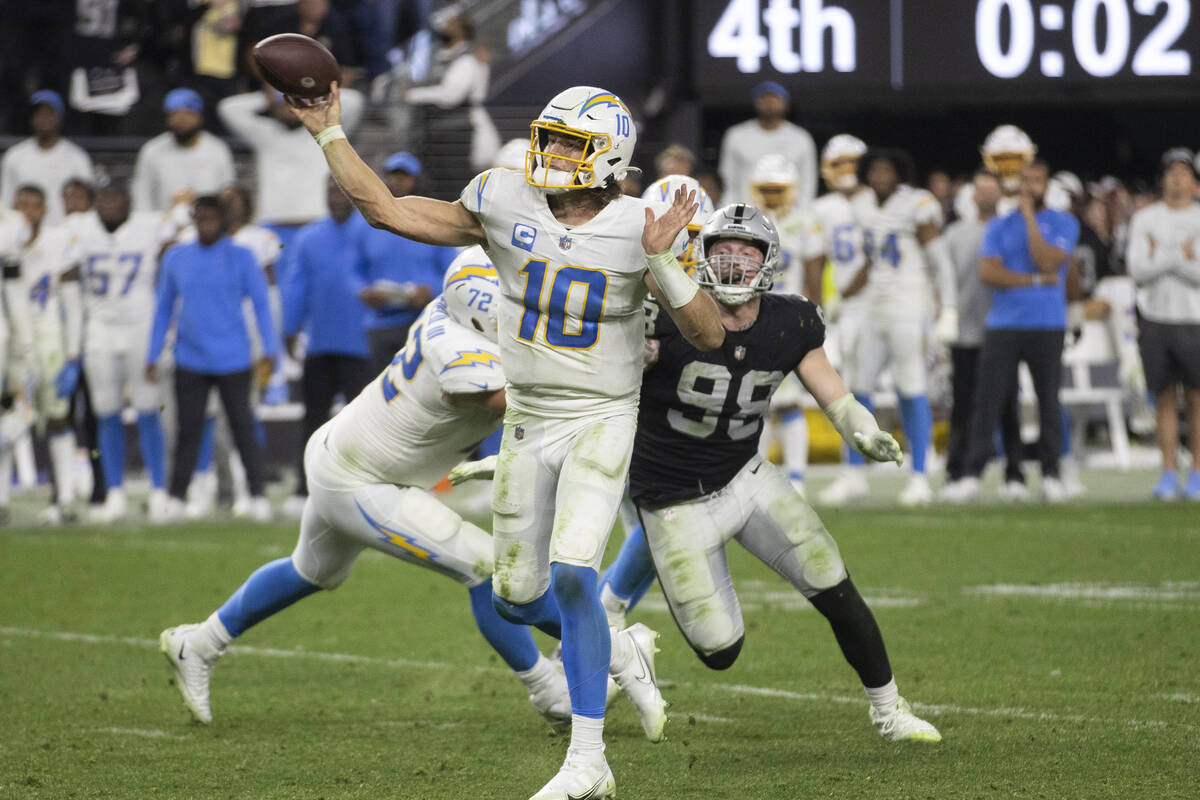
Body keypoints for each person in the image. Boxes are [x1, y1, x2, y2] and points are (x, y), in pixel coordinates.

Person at [288, 83, 725, 800]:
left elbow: (706, 333)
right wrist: (330, 132)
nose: (550, 152)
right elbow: (390, 211)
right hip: (527, 417)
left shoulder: (642, 224)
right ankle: (626, 651)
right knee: (518, 596)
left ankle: (589, 761)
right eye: (548, 137)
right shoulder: (502, 197)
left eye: (569, 144)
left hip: (600, 416)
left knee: (577, 574)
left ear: (608, 155)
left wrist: (664, 259)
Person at [561, 203, 942, 743]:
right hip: (671, 501)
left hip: (745, 476)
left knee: (833, 583)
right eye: (723, 250)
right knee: (720, 652)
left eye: (746, 251)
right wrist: (629, 359)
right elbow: (596, 386)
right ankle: (633, 647)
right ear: (700, 258)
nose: (735, 262)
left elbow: (832, 392)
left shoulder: (791, 320)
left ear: (768, 262)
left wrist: (863, 429)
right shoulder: (659, 316)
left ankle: (889, 710)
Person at [159, 266, 575, 731]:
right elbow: (504, 399)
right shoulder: (460, 354)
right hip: (360, 480)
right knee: (485, 569)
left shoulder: (454, 311)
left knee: (310, 571)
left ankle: (197, 643)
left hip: (345, 453)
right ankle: (551, 689)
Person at [821, 149, 956, 507]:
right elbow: (872, 260)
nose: (880, 177)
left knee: (910, 386)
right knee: (857, 386)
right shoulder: (864, 206)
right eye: (875, 170)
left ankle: (920, 475)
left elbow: (940, 261)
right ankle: (853, 474)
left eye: (887, 171)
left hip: (911, 307)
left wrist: (949, 309)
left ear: (900, 174)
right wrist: (845, 295)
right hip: (874, 307)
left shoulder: (916, 204)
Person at [942, 161, 1080, 504]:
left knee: (1048, 400)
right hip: (1003, 324)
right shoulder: (1000, 225)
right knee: (987, 401)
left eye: (1037, 180)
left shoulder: (1064, 222)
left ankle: (1051, 474)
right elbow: (989, 271)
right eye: (1025, 181)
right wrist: (1032, 280)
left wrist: (1031, 218)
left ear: (1047, 184)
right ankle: (972, 474)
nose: (1031, 187)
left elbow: (1049, 260)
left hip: (1047, 323)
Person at [146, 196, 278, 523]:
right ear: (193, 219)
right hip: (189, 358)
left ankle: (257, 496)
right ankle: (177, 499)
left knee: (242, 429)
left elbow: (262, 304)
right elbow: (164, 308)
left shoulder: (243, 257)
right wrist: (152, 352)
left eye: (211, 218)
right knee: (187, 431)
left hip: (234, 358)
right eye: (199, 217)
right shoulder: (176, 258)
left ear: (223, 220)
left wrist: (270, 350)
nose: (205, 224)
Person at [67, 182, 176, 523]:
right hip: (99, 329)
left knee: (147, 409)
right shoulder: (79, 228)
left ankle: (159, 491)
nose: (110, 204)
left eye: (117, 197)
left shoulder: (149, 225)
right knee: (106, 412)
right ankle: (114, 492)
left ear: (129, 201)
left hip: (140, 328)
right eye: (105, 198)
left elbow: (182, 228)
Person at [280, 178, 372, 517]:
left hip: (361, 343)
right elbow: (295, 284)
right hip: (320, 342)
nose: (336, 198)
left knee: (362, 420)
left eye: (341, 191)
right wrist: (290, 326)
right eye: (331, 192)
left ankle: (361, 483)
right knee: (314, 418)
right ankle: (304, 487)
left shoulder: (370, 232)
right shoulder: (308, 238)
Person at [0, 185, 84, 523]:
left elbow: (72, 299)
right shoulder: (6, 241)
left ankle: (63, 497)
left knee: (57, 417)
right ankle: (2, 498)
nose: (27, 212)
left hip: (50, 339)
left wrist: (74, 353)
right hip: (13, 343)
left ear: (45, 209)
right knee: (7, 417)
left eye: (34, 205)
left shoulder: (58, 241)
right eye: (21, 205)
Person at [941, 170, 1026, 499]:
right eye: (982, 190)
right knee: (962, 404)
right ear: (973, 195)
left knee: (1007, 404)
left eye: (993, 190)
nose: (987, 196)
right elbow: (946, 281)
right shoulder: (956, 233)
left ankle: (1014, 474)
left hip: (1003, 330)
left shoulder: (1012, 230)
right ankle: (956, 472)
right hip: (966, 331)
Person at [747, 154, 825, 495]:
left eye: (777, 189)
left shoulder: (806, 222)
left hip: (788, 317)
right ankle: (753, 477)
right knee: (752, 402)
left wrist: (812, 321)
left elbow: (814, 276)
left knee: (791, 403)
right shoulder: (746, 219)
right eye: (767, 189)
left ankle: (796, 479)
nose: (772, 196)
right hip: (750, 315)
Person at [1125, 148, 1200, 500]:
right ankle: (1168, 473)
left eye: (1183, 171)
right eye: (1171, 171)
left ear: (1193, 181)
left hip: (1194, 318)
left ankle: (1197, 474)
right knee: (1164, 398)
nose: (1176, 177)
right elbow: (1138, 271)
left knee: (1198, 399)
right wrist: (1179, 255)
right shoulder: (1145, 219)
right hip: (1155, 318)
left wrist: (1161, 256)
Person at [217, 86, 364, 251]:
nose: (288, 108)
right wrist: (267, 97)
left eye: (295, 102)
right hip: (273, 225)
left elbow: (355, 101)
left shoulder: (324, 131)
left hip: (315, 222)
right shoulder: (264, 134)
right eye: (284, 103)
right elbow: (228, 108)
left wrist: (313, 94)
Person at [354, 151, 457, 374]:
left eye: (403, 176)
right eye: (391, 176)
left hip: (423, 322)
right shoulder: (368, 223)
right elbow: (354, 270)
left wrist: (430, 290)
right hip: (380, 324)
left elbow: (453, 272)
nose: (396, 182)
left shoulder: (433, 221)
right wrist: (363, 291)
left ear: (416, 180)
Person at [131, 88, 236, 213]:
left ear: (199, 117)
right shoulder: (152, 150)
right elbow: (141, 194)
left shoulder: (217, 148)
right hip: (163, 222)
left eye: (188, 113)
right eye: (174, 114)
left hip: (207, 224)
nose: (181, 119)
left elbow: (227, 190)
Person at [0, 91, 94, 225]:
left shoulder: (77, 157)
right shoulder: (14, 156)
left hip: (65, 234)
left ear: (60, 117)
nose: (43, 118)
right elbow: (7, 201)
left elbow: (88, 204)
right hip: (26, 236)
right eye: (38, 113)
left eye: (49, 113)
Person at [718, 82, 816, 207]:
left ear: (786, 104)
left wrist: (803, 214)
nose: (770, 103)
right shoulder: (736, 135)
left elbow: (808, 182)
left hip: (790, 216)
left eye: (775, 99)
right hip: (748, 213)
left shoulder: (801, 138)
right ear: (756, 103)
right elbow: (728, 180)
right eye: (764, 98)